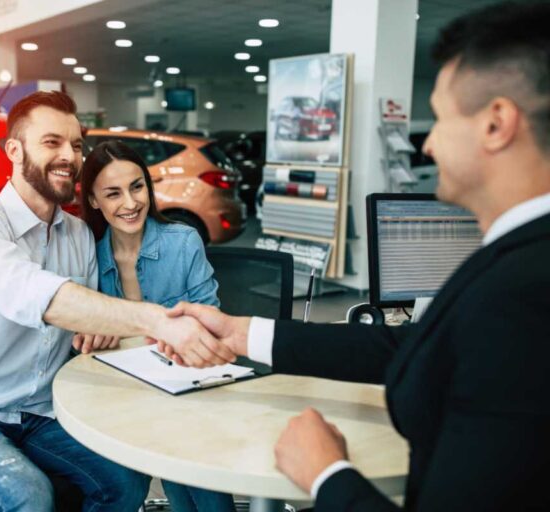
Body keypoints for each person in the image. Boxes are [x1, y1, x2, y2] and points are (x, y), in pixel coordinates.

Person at [158, 2, 550, 510]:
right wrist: (240, 333)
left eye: (443, 117)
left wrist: (327, 474)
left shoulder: (522, 294)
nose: (426, 145)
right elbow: (406, 346)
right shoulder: (519, 261)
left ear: (497, 124)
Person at [0, 91, 237, 512]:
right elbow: (42, 297)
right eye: (52, 142)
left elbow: (86, 322)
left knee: (125, 479)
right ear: (14, 150)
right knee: (29, 494)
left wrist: (94, 328)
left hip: (40, 413)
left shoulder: (78, 234)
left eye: (77, 144)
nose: (70, 155)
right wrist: (158, 321)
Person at [77, 140, 236, 512]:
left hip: (185, 386)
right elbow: (80, 336)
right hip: (120, 396)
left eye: (137, 187)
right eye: (113, 194)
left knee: (186, 448)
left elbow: (207, 323)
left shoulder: (183, 242)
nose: (130, 204)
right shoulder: (86, 258)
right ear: (95, 201)